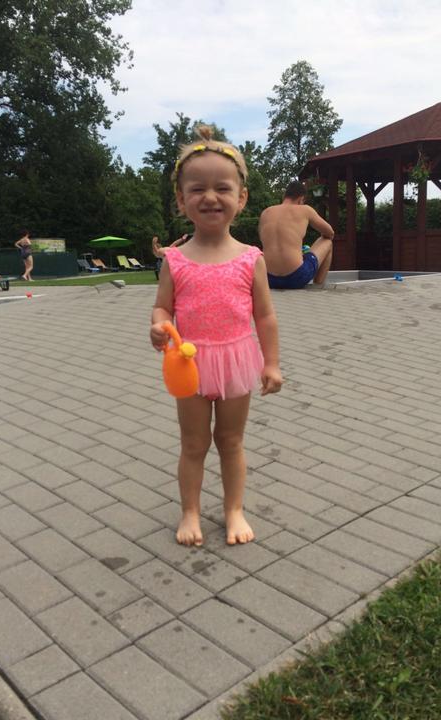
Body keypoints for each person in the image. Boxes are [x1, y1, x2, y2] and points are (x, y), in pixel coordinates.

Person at [150, 126, 283, 547]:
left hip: (236, 361)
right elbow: (163, 307)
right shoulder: (175, 260)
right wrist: (158, 325)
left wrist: (272, 363)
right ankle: (190, 512)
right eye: (197, 189)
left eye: (222, 188)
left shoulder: (250, 258)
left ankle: (233, 510)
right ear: (181, 199)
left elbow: (265, 316)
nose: (210, 197)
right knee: (193, 443)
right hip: (188, 364)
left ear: (241, 198)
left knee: (230, 441)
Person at [259, 180, 335, 289]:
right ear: (301, 199)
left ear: (284, 196)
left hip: (268, 279)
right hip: (296, 277)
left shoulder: (266, 213)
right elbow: (330, 233)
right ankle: (318, 286)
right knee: (327, 242)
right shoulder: (305, 210)